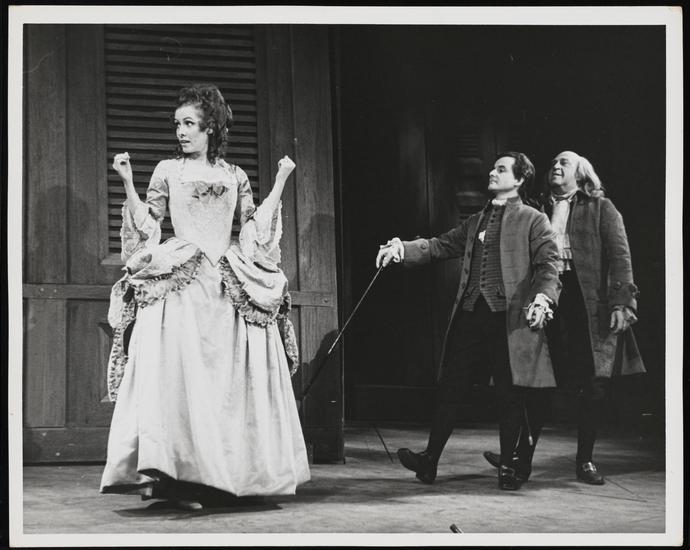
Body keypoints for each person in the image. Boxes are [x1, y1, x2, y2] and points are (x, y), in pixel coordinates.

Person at [100, 84, 310, 509]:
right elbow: (149, 228)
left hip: (224, 283)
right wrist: (128, 183)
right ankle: (176, 479)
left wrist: (280, 183)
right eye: (177, 124)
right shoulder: (167, 170)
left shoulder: (235, 176)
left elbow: (253, 235)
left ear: (210, 127)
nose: (181, 132)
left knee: (223, 383)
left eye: (189, 124)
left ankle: (224, 477)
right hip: (181, 284)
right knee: (177, 379)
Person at [376, 152, 561, 490]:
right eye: (493, 167)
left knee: (509, 393)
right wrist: (402, 249)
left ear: (519, 179)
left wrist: (542, 298)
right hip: (471, 314)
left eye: (501, 169)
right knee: (451, 387)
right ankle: (429, 460)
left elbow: (549, 264)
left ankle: (508, 467)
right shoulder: (477, 221)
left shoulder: (533, 219)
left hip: (509, 319)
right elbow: (439, 245)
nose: (492, 172)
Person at [483, 150, 645, 485]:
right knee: (535, 380)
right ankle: (520, 458)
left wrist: (623, 304)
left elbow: (620, 257)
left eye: (564, 163)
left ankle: (585, 460)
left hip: (586, 304)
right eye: (554, 163)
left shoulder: (601, 208)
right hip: (544, 296)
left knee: (593, 384)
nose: (556, 166)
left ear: (582, 173)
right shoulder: (537, 207)